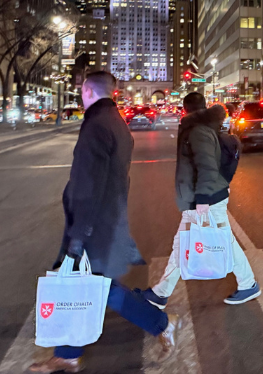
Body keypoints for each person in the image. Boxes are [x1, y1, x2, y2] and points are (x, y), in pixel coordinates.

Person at [29, 72, 180, 373]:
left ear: (87, 91)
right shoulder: (116, 121)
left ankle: (161, 323)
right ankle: (69, 353)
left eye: (81, 91)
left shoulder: (96, 125)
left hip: (93, 222)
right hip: (106, 217)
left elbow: (89, 182)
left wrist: (79, 233)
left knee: (95, 284)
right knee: (91, 283)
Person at [141, 92, 260, 309]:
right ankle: (161, 292)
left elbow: (207, 166)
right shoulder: (201, 127)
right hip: (202, 196)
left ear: (185, 109)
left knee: (198, 242)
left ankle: (248, 284)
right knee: (190, 242)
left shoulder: (198, 131)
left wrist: (202, 199)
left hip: (205, 198)